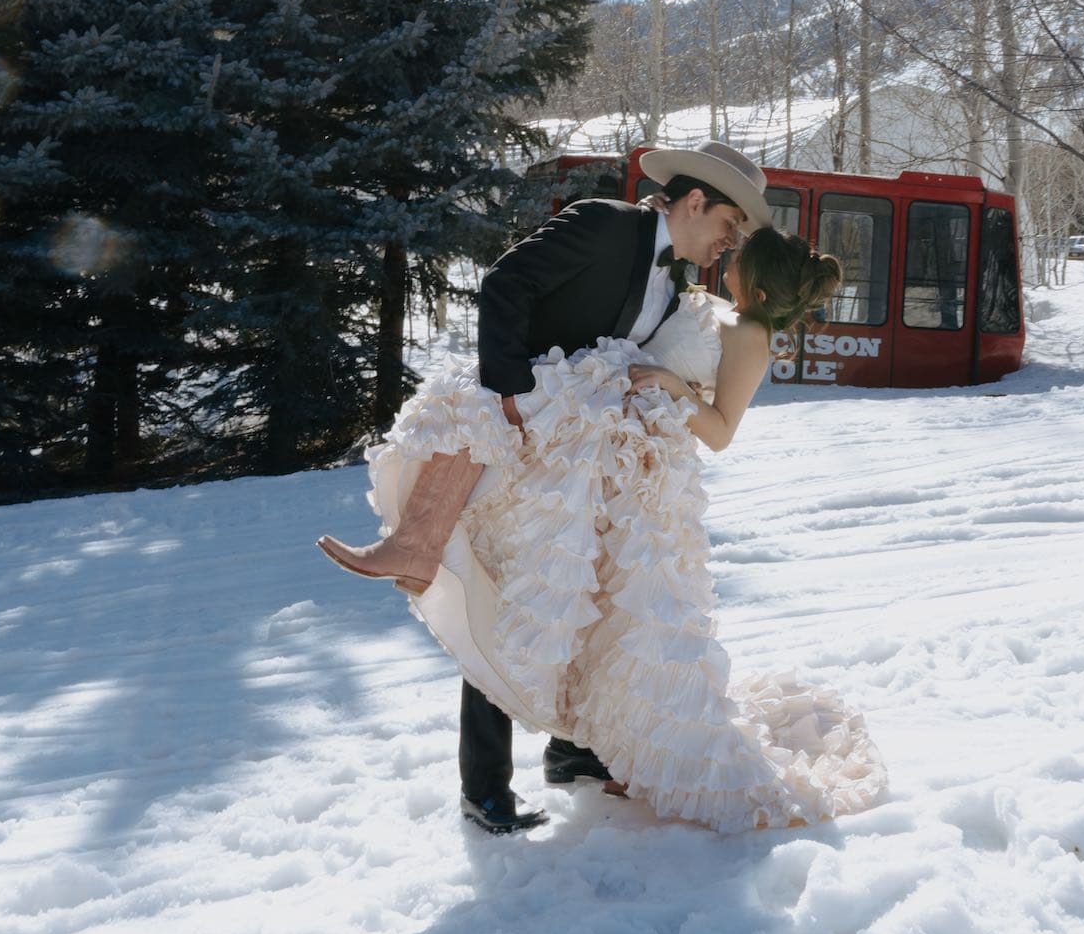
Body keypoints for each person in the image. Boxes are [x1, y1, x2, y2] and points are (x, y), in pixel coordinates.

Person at [319, 143, 886, 836]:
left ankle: (571, 753)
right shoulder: (604, 223)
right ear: (694, 201)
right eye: (726, 222)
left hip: (592, 467)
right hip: (529, 437)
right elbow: (504, 285)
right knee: (510, 606)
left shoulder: (677, 284)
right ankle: (484, 789)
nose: (727, 240)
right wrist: (510, 392)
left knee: (584, 607)